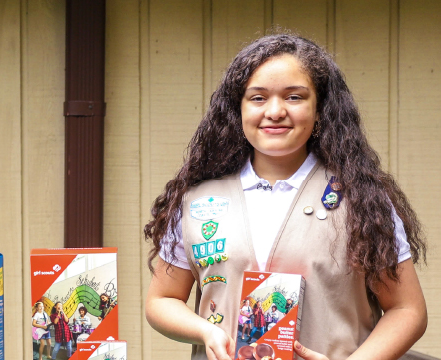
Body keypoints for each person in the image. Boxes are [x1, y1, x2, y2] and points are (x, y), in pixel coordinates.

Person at [144, 33, 427, 360]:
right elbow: (161, 301)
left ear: (320, 110)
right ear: (239, 109)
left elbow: (407, 310)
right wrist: (207, 330)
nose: (275, 111)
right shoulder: (196, 201)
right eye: (258, 98)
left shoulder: (362, 198)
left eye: (294, 97)